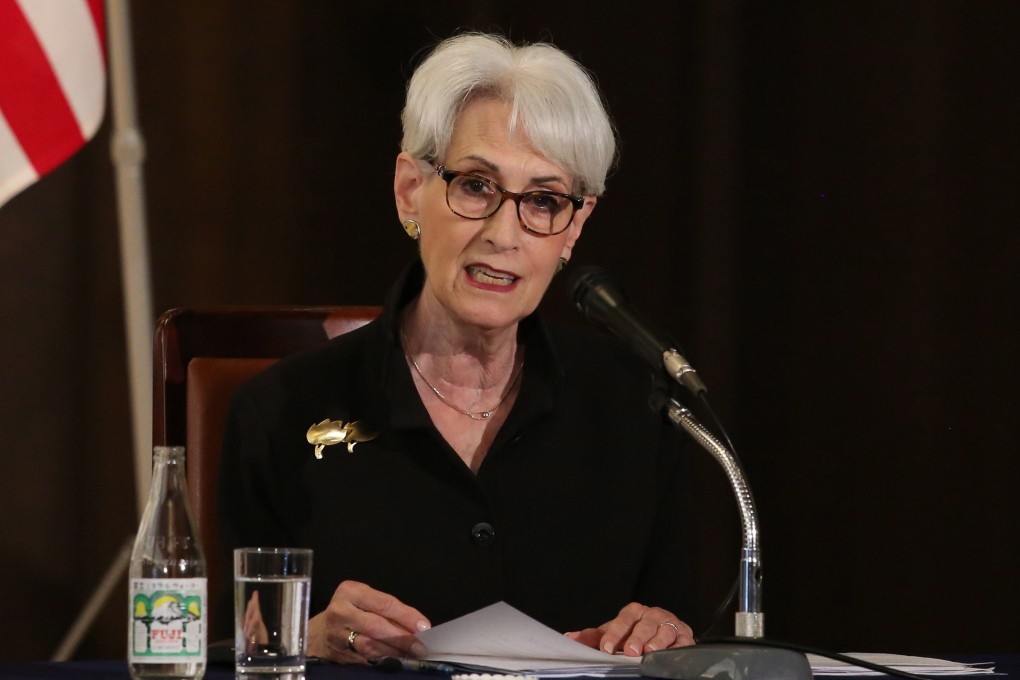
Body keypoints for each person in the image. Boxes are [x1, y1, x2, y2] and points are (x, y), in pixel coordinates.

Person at [218, 32, 696, 663]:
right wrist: (301, 640)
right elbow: (208, 647)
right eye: (475, 186)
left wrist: (665, 632)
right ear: (410, 190)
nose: (504, 233)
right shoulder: (279, 410)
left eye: (545, 201)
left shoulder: (638, 404)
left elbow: (684, 627)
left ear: (574, 228)